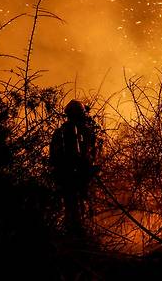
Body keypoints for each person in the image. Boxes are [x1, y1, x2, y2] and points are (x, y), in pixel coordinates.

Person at [49, 99, 101, 236]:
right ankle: (81, 235)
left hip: (65, 178)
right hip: (79, 177)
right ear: (81, 114)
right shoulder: (84, 131)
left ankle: (74, 234)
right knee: (82, 207)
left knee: (70, 207)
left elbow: (53, 158)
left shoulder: (59, 132)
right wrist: (91, 169)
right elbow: (88, 156)